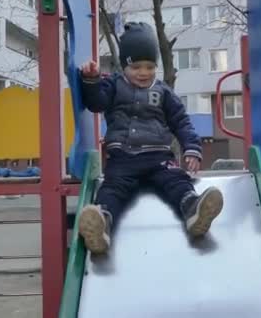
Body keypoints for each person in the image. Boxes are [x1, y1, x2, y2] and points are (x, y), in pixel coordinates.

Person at [77, 22, 224, 254]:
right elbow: (96, 103)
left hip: (157, 156)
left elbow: (181, 121)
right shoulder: (113, 85)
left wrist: (192, 147)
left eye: (149, 66)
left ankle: (193, 210)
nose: (143, 73)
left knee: (176, 179)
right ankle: (101, 224)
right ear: (124, 65)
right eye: (136, 67)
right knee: (112, 189)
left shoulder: (163, 91)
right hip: (122, 158)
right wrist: (91, 80)